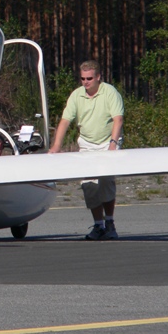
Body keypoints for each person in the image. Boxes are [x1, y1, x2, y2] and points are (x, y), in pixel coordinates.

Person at [48, 60, 124, 241]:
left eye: (89, 78)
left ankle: (110, 222)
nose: (85, 82)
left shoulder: (110, 92)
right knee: (89, 185)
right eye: (83, 79)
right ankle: (98, 225)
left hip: (107, 141)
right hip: (87, 143)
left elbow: (118, 119)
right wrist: (56, 146)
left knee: (106, 181)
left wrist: (113, 144)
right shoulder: (76, 95)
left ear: (98, 77)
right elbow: (65, 120)